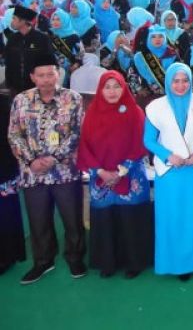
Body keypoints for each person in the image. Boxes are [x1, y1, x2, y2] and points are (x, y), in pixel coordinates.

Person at [6, 53, 86, 284]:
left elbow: (78, 132)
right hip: (33, 174)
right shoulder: (21, 100)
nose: (46, 79)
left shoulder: (73, 98)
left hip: (65, 171)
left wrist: (54, 157)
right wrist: (31, 160)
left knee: (72, 218)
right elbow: (14, 135)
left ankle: (75, 257)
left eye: (50, 74)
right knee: (38, 220)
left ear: (58, 73)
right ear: (32, 77)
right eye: (40, 75)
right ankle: (43, 261)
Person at [76, 71, 153, 279]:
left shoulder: (135, 112)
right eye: (107, 87)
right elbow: (84, 146)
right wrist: (100, 171)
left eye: (117, 86)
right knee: (105, 218)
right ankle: (107, 262)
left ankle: (134, 262)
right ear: (100, 90)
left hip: (130, 174)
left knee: (130, 218)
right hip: (100, 176)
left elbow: (141, 143)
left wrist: (122, 170)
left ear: (124, 88)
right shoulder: (92, 114)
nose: (112, 91)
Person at [143, 63, 193, 279]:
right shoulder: (155, 107)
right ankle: (175, 263)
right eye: (176, 81)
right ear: (168, 82)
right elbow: (149, 140)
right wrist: (168, 155)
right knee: (171, 218)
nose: (181, 85)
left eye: (185, 80)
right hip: (169, 173)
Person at [0, 90, 26, 275]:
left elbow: (13, 136)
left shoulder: (3, 103)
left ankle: (6, 256)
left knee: (6, 213)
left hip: (3, 169)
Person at [2, 5, 53, 96]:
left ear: (23, 21)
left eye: (14, 18)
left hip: (37, 87)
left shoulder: (42, 39)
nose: (12, 21)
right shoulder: (12, 39)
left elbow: (49, 62)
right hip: (16, 87)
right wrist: (9, 85)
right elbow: (8, 63)